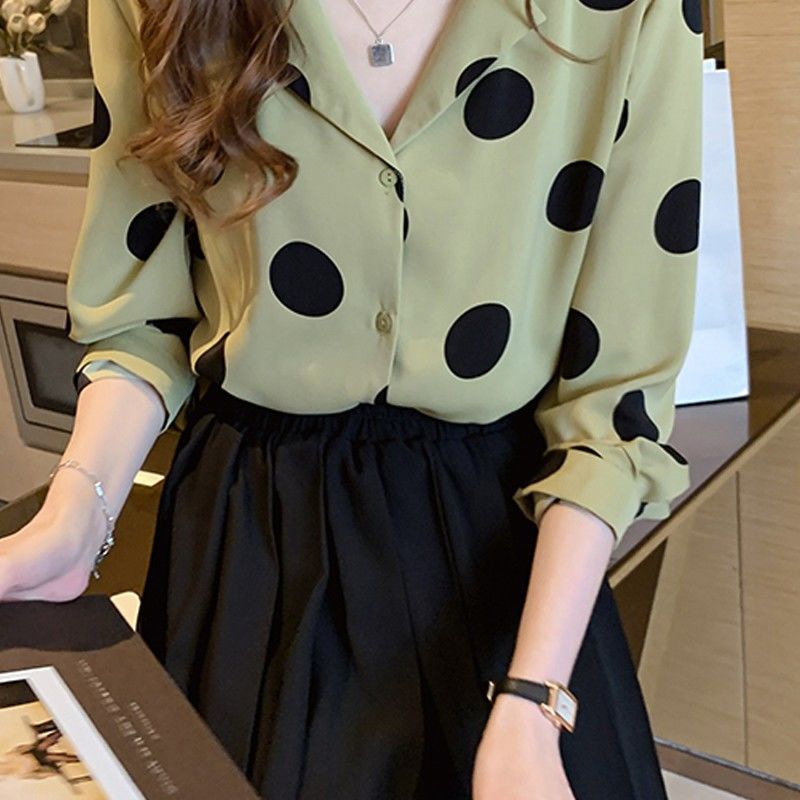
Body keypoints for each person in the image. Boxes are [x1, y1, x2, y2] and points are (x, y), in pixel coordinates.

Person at [0, 0, 704, 796]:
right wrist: (75, 517)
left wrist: (533, 697)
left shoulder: (620, 12)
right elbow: (142, 312)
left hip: (507, 543)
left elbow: (615, 400)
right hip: (252, 539)